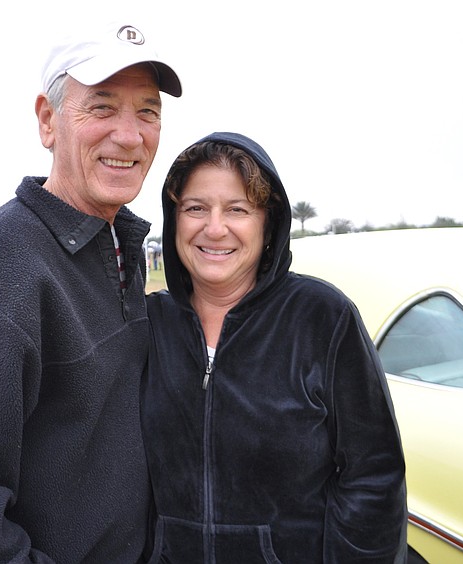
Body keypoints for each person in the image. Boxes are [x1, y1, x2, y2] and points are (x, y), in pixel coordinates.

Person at [0, 21, 182, 563]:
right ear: (48, 121)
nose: (130, 135)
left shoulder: (116, 245)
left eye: (148, 111)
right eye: (102, 107)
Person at [141, 132, 407, 562]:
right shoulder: (149, 322)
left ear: (268, 224)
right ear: (174, 221)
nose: (214, 228)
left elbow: (373, 477)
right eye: (195, 208)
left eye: (237, 209)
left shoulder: (323, 317)